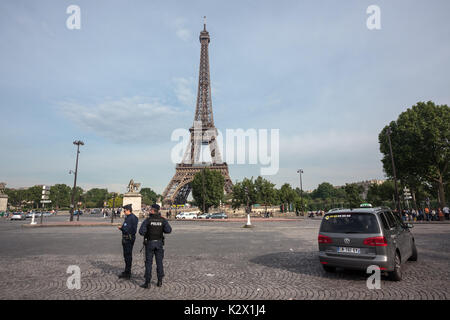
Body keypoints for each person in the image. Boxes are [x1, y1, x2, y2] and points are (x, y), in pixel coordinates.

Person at [139, 204, 172, 288]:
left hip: (150, 243)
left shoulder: (148, 220)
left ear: (153, 211)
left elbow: (141, 232)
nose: (149, 210)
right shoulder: (162, 220)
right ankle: (160, 281)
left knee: (148, 263)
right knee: (159, 262)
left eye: (150, 209)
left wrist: (147, 231)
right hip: (159, 243)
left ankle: (147, 282)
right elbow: (168, 230)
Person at [118, 204, 138, 280]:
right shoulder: (134, 217)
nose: (124, 212)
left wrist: (121, 228)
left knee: (127, 256)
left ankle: (127, 273)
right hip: (131, 238)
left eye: (125, 210)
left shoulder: (129, 218)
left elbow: (126, 229)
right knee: (128, 255)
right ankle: (127, 271)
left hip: (127, 239)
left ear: (128, 210)